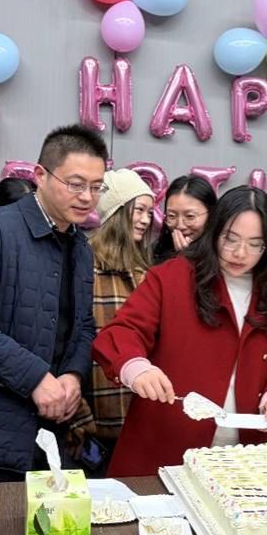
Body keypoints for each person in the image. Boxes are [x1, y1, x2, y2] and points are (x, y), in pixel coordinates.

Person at [0, 124, 108, 481]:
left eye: (96, 186)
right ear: (40, 175)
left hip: (49, 430)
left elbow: (83, 324)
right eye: (75, 184)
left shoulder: (81, 246)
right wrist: (36, 378)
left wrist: (73, 375)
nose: (87, 197)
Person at [93, 186, 267, 476]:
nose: (240, 253)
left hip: (245, 458)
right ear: (214, 232)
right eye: (230, 239)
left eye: (255, 244)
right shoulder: (172, 277)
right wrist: (136, 367)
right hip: (166, 445)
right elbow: (124, 330)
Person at [67, 169, 155, 475]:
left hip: (139, 420)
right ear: (118, 210)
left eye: (149, 212)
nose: (145, 220)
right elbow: (69, 344)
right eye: (139, 210)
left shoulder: (146, 274)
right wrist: (78, 419)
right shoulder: (83, 266)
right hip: (91, 422)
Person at [152, 175, 216, 263]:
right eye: (172, 216)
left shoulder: (221, 253)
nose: (180, 226)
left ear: (211, 213)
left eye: (190, 216)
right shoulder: (156, 250)